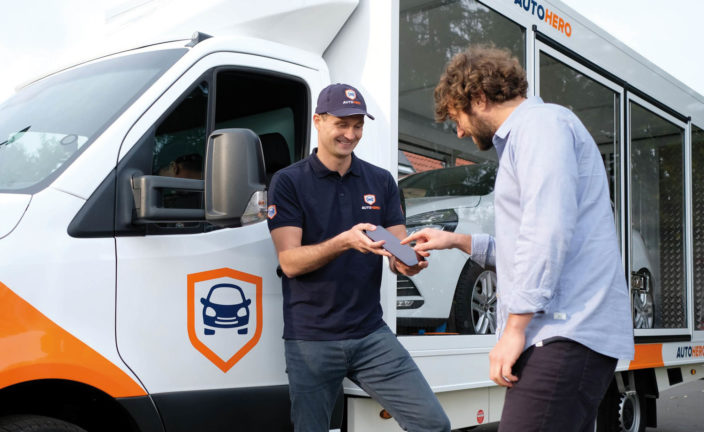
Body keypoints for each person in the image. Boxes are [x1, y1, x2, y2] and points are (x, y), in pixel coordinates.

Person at [402, 46, 634, 431]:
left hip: (563, 333)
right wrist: (455, 242)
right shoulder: (532, 134)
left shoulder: (541, 127)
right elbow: (522, 249)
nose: (458, 131)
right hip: (556, 336)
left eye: (457, 118)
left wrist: (512, 331)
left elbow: (547, 232)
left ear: (478, 97)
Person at [266, 83, 451, 432]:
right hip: (311, 339)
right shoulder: (289, 182)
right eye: (342, 124)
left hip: (370, 335)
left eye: (358, 125)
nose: (350, 134)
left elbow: (398, 250)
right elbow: (289, 262)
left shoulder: (380, 180)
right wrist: (345, 242)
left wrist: (409, 261)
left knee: (433, 424)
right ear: (319, 121)